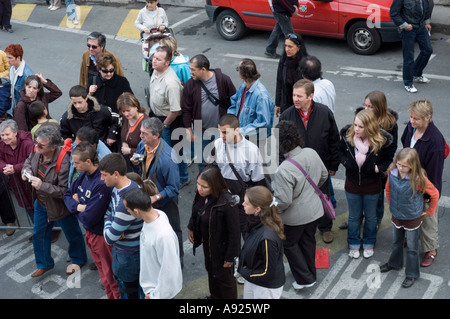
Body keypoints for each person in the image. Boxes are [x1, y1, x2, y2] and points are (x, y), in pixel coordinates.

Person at [22, 124, 87, 277]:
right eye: (36, 142)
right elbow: (27, 161)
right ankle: (44, 264)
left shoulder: (65, 160)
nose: (37, 146)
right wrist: (26, 172)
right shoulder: (36, 150)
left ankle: (78, 259)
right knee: (39, 233)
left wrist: (42, 186)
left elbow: (65, 191)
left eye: (41, 145)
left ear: (53, 147)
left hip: (60, 205)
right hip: (42, 202)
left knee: (72, 233)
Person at [280, 79, 339, 243]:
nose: (295, 99)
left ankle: (325, 227)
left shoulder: (324, 113)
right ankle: (304, 228)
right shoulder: (287, 115)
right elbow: (279, 143)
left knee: (323, 196)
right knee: (299, 200)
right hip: (296, 169)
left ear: (310, 96)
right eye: (293, 95)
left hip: (319, 166)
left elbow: (334, 140)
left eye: (299, 96)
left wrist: (333, 164)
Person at [272, 120, 328, 290]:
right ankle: (310, 273)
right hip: (315, 210)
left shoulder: (284, 169)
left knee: (289, 244)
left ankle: (304, 279)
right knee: (308, 241)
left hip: (295, 218)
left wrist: (274, 210)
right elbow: (324, 175)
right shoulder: (311, 152)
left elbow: (284, 201)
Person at [63, 142, 119, 299]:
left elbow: (90, 218)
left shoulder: (101, 183)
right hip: (91, 233)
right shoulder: (83, 175)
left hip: (101, 237)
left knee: (110, 276)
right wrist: (80, 207)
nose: (74, 165)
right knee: (103, 274)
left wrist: (76, 206)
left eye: (76, 163)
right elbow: (67, 195)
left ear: (88, 161)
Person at [338, 109, 393, 259]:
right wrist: (346, 162)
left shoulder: (380, 141)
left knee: (371, 217)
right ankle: (353, 243)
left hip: (372, 186)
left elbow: (388, 158)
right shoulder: (348, 137)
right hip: (352, 185)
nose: (356, 129)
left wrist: (378, 168)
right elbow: (339, 152)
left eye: (360, 126)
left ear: (369, 127)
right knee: (354, 217)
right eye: (355, 125)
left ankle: (369, 242)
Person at [381, 147, 439, 288]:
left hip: (412, 217)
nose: (401, 168)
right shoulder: (392, 172)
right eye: (399, 164)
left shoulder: (418, 179)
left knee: (412, 248)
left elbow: (435, 194)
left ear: (413, 165)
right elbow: (388, 188)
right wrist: (391, 204)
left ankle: (411, 274)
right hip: (397, 215)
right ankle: (394, 264)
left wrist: (430, 211)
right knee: (397, 242)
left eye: (405, 166)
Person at [133, 117, 183, 266]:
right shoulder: (143, 145)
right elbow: (142, 167)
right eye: (141, 132)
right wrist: (136, 163)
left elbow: (174, 188)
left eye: (144, 133)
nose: (140, 136)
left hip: (165, 202)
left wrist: (156, 197)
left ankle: (177, 263)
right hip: (150, 196)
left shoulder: (168, 158)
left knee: (173, 231)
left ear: (156, 135)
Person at [401, 99, 445, 267]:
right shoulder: (411, 128)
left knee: (427, 219)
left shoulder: (435, 141)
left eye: (416, 119)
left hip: (425, 184)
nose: (412, 121)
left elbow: (435, 173)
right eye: (411, 117)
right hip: (409, 180)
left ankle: (431, 249)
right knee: (410, 212)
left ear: (428, 118)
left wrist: (429, 195)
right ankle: (411, 236)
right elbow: (405, 143)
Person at [187, 165, 241, 299]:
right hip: (208, 243)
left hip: (222, 249)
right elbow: (196, 210)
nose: (199, 189)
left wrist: (230, 257)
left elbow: (234, 233)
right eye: (198, 184)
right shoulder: (201, 194)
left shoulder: (227, 204)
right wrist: (192, 227)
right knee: (211, 272)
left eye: (204, 186)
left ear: (214, 185)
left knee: (224, 279)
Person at [210, 114, 267, 234]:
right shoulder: (218, 144)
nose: (222, 136)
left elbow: (258, 182)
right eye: (220, 132)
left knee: (245, 232)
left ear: (237, 130)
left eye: (225, 132)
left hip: (242, 201)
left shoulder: (251, 150)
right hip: (222, 197)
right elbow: (211, 166)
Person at [123, 187, 183, 299]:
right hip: (150, 290)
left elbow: (169, 270)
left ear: (136, 210)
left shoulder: (163, 235)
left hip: (158, 294)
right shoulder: (157, 215)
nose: (127, 212)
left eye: (127, 209)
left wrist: (156, 295)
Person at [99, 153, 143, 299]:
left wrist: (109, 221)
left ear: (116, 174)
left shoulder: (126, 201)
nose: (102, 178)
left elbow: (109, 238)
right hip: (125, 253)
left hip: (129, 256)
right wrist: (111, 219)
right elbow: (109, 210)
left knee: (129, 293)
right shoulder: (119, 188)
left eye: (105, 175)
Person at [182, 54, 236, 171]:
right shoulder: (189, 85)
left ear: (203, 69)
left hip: (222, 132)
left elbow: (234, 103)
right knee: (202, 162)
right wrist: (188, 130)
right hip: (200, 131)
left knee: (224, 161)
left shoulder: (223, 80)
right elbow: (186, 109)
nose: (190, 72)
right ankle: (204, 186)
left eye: (193, 69)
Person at [149, 46, 189, 187]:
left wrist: (165, 125)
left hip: (170, 122)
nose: (154, 61)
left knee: (175, 152)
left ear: (167, 63)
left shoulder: (171, 83)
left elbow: (175, 110)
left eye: (158, 59)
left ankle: (183, 178)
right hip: (158, 118)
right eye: (154, 57)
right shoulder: (156, 71)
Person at [238, 186, 285, 299]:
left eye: (246, 203)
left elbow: (268, 273)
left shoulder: (267, 239)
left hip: (266, 288)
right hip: (253, 278)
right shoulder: (256, 222)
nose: (242, 204)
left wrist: (243, 271)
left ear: (258, 209)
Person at [227, 58, 275, 160]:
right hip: (242, 135)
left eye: (238, 69)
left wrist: (241, 131)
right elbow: (235, 102)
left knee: (255, 167)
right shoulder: (244, 86)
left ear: (243, 74)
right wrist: (230, 121)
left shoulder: (261, 96)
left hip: (255, 140)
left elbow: (263, 123)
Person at [390, 0, 433, 93]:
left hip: (421, 27)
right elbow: (393, 14)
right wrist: (404, 25)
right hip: (408, 30)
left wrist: (427, 22)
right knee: (409, 57)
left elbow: (425, 8)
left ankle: (416, 73)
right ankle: (408, 83)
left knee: (428, 50)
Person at [0, 119, 34, 235]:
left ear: (15, 132)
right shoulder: (2, 145)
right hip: (16, 183)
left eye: (7, 134)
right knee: (27, 205)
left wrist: (15, 168)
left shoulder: (27, 143)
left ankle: (49, 229)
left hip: (31, 181)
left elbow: (33, 161)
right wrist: (5, 167)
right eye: (2, 135)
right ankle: (38, 230)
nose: (4, 138)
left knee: (40, 206)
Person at [59, 85, 118, 150]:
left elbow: (116, 119)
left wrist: (111, 134)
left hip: (103, 147)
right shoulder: (67, 117)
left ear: (86, 98)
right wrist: (75, 144)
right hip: (82, 151)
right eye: (74, 103)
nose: (77, 106)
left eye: (80, 102)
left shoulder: (102, 111)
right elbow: (63, 133)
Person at [275, 33, 308, 116]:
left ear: (298, 47)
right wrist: (278, 103)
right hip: (286, 102)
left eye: (290, 46)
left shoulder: (306, 64)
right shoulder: (283, 61)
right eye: (285, 46)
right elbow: (279, 82)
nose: (287, 49)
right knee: (281, 127)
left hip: (301, 104)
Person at [117, 92, 148, 172]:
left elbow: (149, 150)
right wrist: (124, 142)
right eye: (123, 111)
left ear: (136, 106)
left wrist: (130, 151)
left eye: (128, 110)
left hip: (140, 165)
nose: (126, 114)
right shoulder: (126, 119)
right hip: (129, 162)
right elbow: (124, 135)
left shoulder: (145, 123)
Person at [4, 44, 34, 116]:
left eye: (10, 58)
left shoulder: (27, 75)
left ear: (18, 58)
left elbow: (31, 98)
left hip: (23, 110)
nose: (7, 60)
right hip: (15, 105)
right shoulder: (12, 68)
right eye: (7, 57)